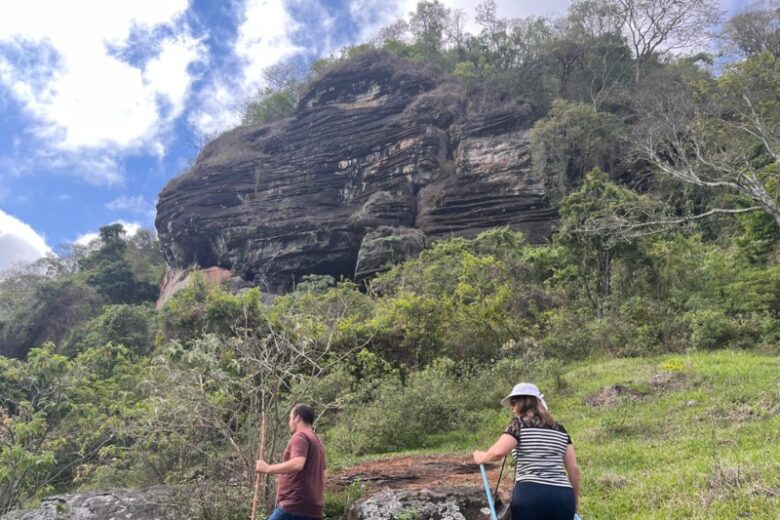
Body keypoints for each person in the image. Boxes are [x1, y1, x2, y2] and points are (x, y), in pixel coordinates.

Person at [473, 383, 581, 520]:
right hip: (562, 497)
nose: (511, 407)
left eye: (513, 402)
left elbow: (497, 453)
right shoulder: (560, 429)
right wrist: (574, 501)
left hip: (531, 494)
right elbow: (573, 470)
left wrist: (481, 456)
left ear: (523, 402)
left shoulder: (519, 424)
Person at [255, 404, 326, 520]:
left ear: (297, 418)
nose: (289, 423)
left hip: (295, 505)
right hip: (313, 508)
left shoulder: (300, 436)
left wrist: (267, 468)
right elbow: (323, 474)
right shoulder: (318, 441)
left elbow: (298, 464)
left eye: (290, 418)